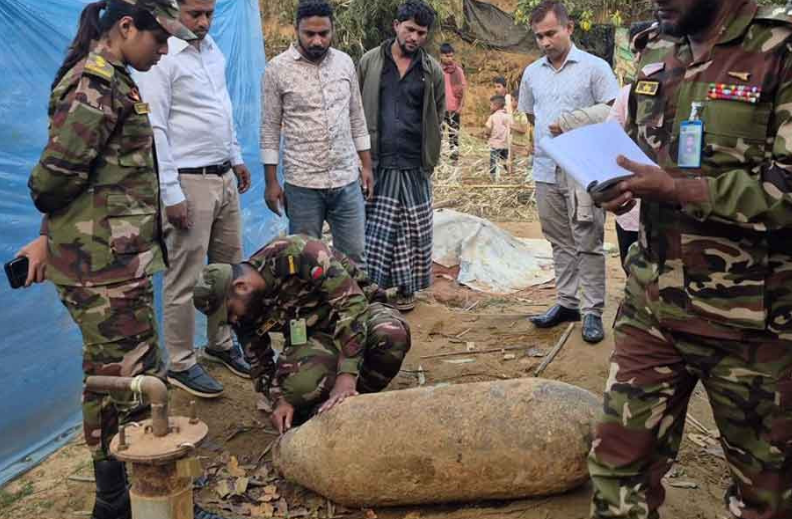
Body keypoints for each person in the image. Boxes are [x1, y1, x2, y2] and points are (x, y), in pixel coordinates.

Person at [15, 2, 226, 519]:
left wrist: (54, 234)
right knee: (136, 385)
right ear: (126, 28)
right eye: (158, 40)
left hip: (113, 264)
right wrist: (57, 231)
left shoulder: (115, 78)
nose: (164, 48)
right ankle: (149, 500)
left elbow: (86, 177)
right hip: (101, 269)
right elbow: (52, 179)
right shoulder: (96, 84)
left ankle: (117, 502)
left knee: (112, 380)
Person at [587, 1, 792, 518]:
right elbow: (641, 145)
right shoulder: (658, 45)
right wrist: (613, 181)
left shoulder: (781, 48)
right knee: (617, 473)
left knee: (768, 497)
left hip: (753, 327)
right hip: (652, 308)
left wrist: (681, 190)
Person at [133, 0, 251, 399]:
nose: (202, 23)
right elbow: (156, 128)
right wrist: (171, 192)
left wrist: (235, 157)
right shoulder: (163, 57)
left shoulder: (211, 49)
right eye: (194, 14)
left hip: (222, 176)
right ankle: (182, 361)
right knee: (185, 276)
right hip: (188, 182)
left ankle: (220, 343)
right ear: (174, 11)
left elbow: (223, 107)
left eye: (209, 14)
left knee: (227, 268)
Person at [192, 235, 411, 433]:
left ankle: (357, 397)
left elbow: (352, 306)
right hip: (313, 335)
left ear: (241, 287)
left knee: (390, 335)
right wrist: (279, 400)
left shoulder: (300, 253)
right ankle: (328, 408)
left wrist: (346, 376)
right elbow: (259, 361)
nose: (233, 321)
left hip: (361, 313)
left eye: (230, 312)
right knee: (297, 390)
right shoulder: (243, 312)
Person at [518, 0, 619, 344]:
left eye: (551, 33)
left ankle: (592, 310)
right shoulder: (532, 73)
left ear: (569, 28)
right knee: (559, 240)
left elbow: (612, 111)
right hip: (546, 168)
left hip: (583, 167)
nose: (545, 42)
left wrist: (573, 122)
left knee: (587, 239)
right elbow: (532, 117)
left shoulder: (595, 68)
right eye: (539, 37)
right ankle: (567, 302)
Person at [261, 0, 373, 269]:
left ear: (333, 30)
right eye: (309, 34)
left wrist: (366, 164)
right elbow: (269, 127)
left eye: (324, 33)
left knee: (355, 257)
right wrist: (271, 181)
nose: (317, 41)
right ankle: (310, 311)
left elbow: (356, 116)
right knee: (304, 260)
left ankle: (353, 310)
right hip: (302, 184)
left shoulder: (345, 63)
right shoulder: (277, 69)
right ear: (296, 30)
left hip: (346, 179)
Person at [358, 0, 445, 312]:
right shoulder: (370, 62)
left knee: (412, 228)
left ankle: (407, 288)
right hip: (376, 161)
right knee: (377, 229)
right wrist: (361, 156)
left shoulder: (431, 70)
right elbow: (356, 110)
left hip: (413, 162)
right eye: (409, 29)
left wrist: (430, 157)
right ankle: (376, 287)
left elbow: (438, 111)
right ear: (396, 26)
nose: (415, 37)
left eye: (421, 32)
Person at [440, 42, 466, 164]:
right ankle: (437, 160)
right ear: (441, 56)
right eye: (447, 56)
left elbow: (463, 89)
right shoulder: (437, 70)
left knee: (454, 136)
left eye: (451, 56)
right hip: (440, 110)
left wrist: (460, 107)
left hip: (454, 109)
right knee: (438, 136)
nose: (450, 59)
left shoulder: (458, 71)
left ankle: (454, 160)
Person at [509, 89, 534, 179]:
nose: (510, 102)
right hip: (514, 144)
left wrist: (511, 126)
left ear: (517, 101)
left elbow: (523, 129)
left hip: (522, 146)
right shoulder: (514, 113)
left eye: (512, 100)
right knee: (512, 165)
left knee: (521, 168)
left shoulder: (522, 114)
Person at [485, 95, 510, 182]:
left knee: (493, 162)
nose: (490, 106)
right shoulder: (507, 116)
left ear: (496, 106)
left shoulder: (492, 117)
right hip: (505, 144)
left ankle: (494, 178)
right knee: (505, 160)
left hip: (495, 144)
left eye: (491, 105)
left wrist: (486, 135)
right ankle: (509, 173)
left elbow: (488, 130)